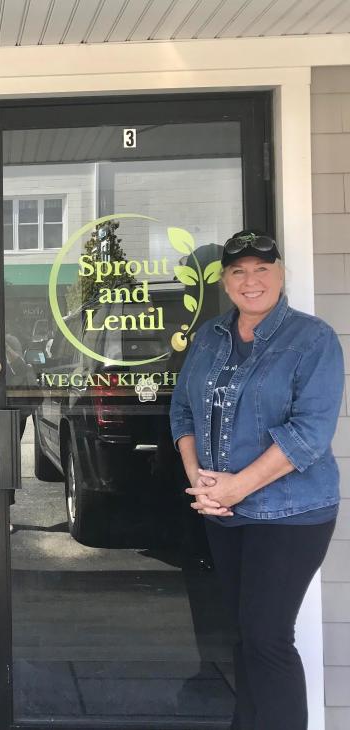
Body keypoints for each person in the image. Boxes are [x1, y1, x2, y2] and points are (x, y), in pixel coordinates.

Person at [169, 230, 343, 730]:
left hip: (292, 513)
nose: (251, 281)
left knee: (268, 637)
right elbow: (182, 411)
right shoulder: (209, 338)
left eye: (262, 269)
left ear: (281, 275)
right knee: (245, 635)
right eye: (239, 271)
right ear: (225, 282)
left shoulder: (312, 339)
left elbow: (309, 433)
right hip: (223, 511)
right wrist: (201, 482)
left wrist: (235, 487)